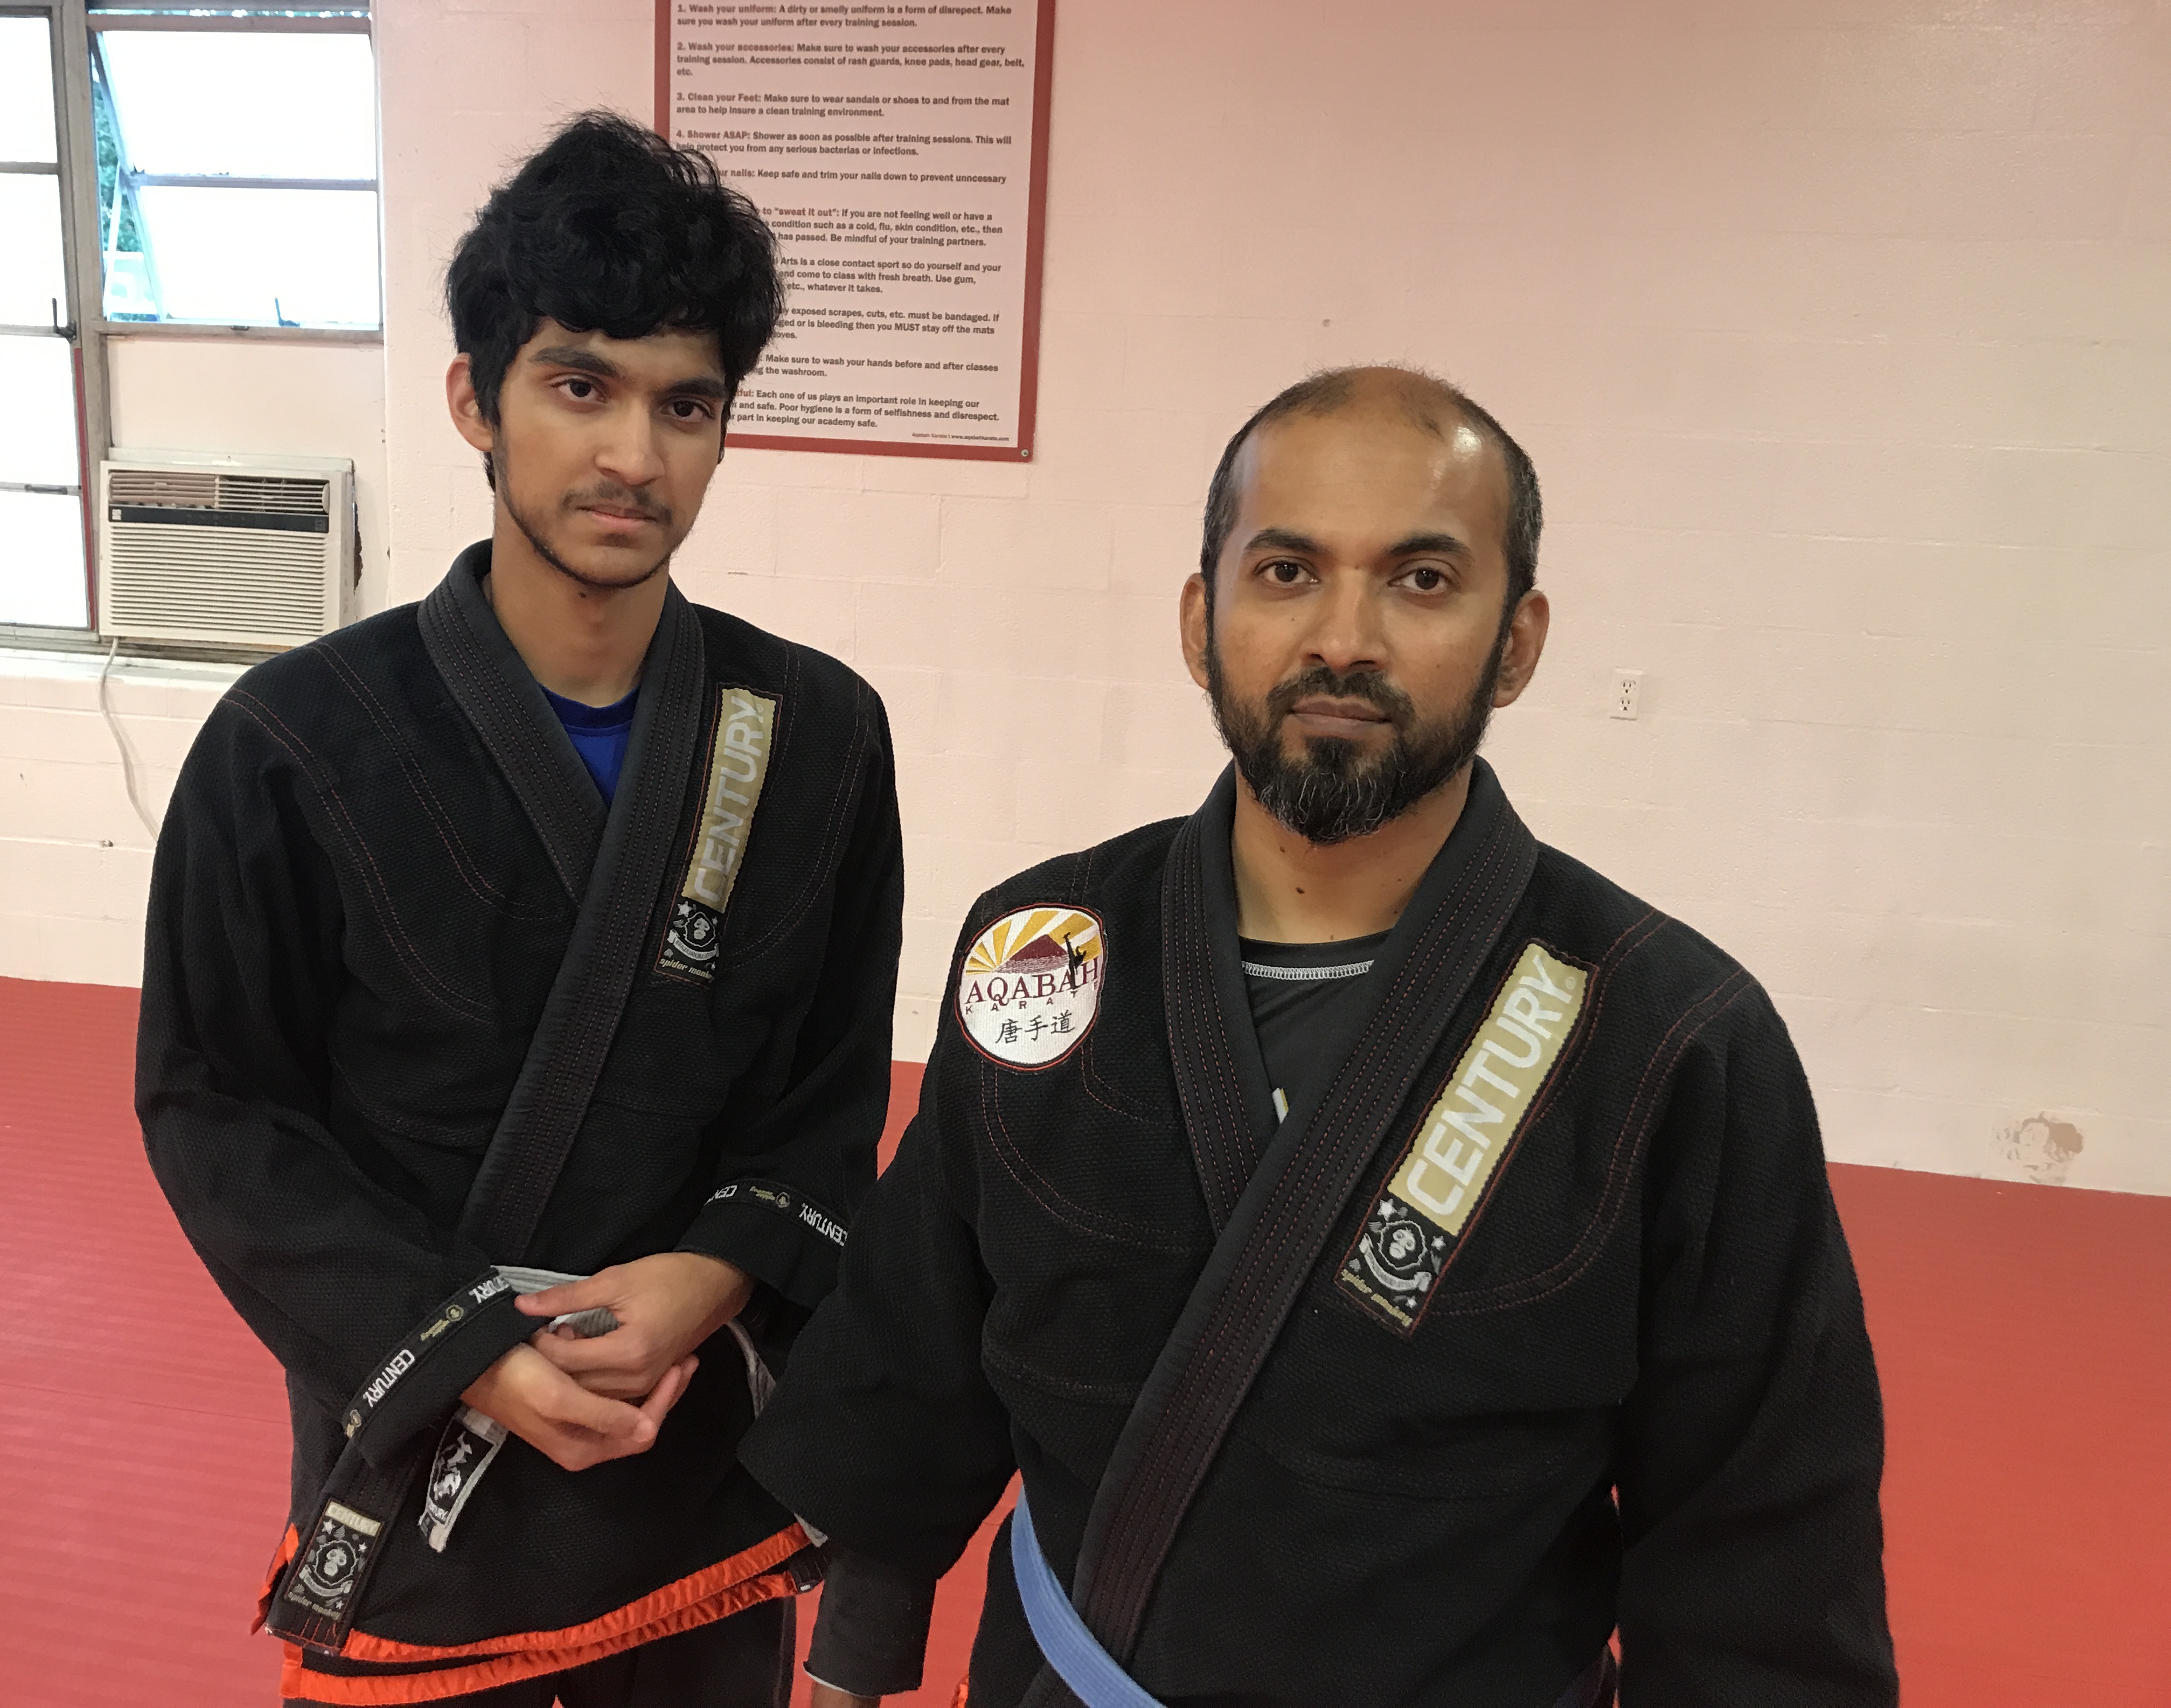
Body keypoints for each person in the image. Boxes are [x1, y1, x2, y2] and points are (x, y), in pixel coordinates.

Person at [742, 367, 1899, 1707]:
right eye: (1287, 571)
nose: (1343, 638)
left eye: (1420, 581)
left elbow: (1759, 1544)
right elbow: (918, 1346)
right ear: (1202, 618)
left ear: (1516, 642)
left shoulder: (1671, 1042)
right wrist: (854, 1660)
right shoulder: (1049, 950)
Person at [137, 113, 904, 1707]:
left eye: (685, 404)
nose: (635, 453)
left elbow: (827, 1096)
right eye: (580, 386)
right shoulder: (292, 746)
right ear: (474, 400)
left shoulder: (817, 733)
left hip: (691, 1445)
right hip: (423, 1439)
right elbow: (220, 1111)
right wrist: (468, 1341)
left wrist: (716, 1275)